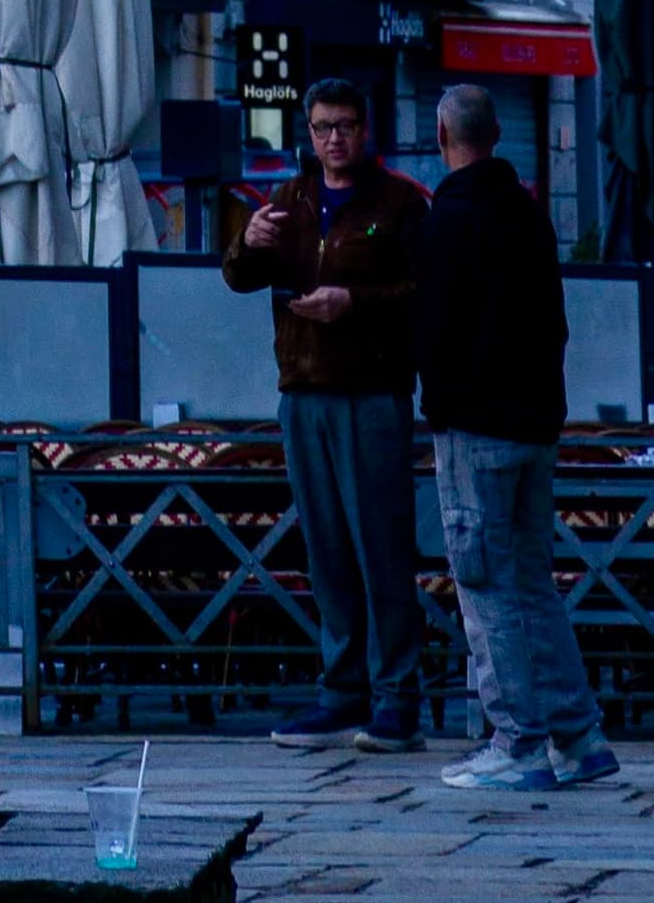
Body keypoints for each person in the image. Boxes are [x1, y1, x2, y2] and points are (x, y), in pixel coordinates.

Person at [418, 79, 619, 797]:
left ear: (444, 138)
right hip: (536, 424)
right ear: (496, 136)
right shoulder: (529, 216)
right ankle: (579, 733)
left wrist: (438, 406)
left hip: (475, 428)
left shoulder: (448, 219)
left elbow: (435, 331)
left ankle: (517, 742)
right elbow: (554, 321)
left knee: (485, 587)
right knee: (533, 582)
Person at [226, 68, 431, 748]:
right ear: (308, 135)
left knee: (382, 549)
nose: (334, 138)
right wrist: (245, 244)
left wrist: (354, 304)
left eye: (344, 126)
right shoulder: (293, 196)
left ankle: (396, 697)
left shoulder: (400, 203)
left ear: (364, 130)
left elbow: (424, 294)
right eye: (322, 128)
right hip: (303, 391)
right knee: (327, 552)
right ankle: (340, 691)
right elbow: (240, 278)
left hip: (373, 393)